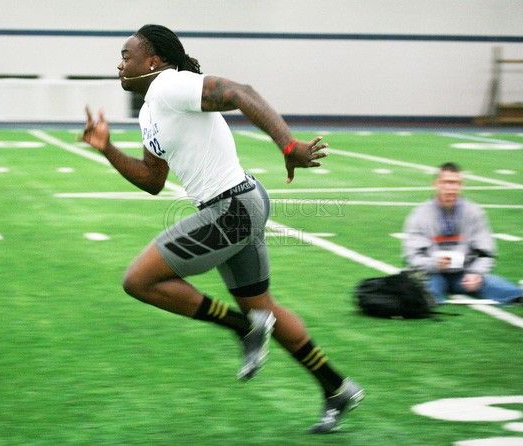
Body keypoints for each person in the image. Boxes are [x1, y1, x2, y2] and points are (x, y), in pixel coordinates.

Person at [81, 24, 363, 434]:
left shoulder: (170, 86)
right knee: (261, 307)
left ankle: (243, 329)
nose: (120, 64)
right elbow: (152, 179)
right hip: (240, 205)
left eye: (127, 56)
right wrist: (107, 148)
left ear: (153, 61)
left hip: (231, 208)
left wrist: (288, 145)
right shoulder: (149, 109)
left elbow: (239, 92)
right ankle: (337, 388)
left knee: (139, 280)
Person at [402, 162, 523, 305]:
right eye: (447, 182)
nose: (452, 188)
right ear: (436, 184)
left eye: (456, 183)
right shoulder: (419, 215)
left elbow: (487, 253)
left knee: (490, 283)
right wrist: (434, 264)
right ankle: (428, 298)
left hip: (463, 272)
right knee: (428, 291)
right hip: (433, 273)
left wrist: (476, 273)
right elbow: (411, 257)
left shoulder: (474, 212)